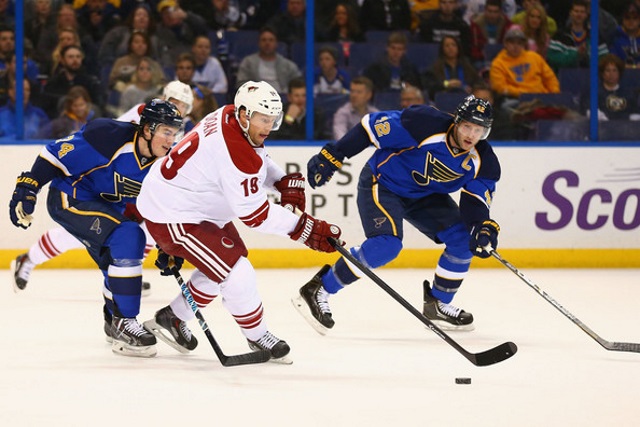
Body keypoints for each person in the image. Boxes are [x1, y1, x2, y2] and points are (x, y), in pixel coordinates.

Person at [136, 81, 342, 361]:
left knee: (222, 264)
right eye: (263, 119)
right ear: (245, 115)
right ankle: (258, 336)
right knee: (236, 270)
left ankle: (171, 318)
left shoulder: (229, 114)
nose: (268, 127)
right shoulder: (234, 149)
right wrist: (306, 229)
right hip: (173, 213)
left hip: (192, 205)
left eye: (273, 120)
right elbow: (255, 215)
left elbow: (258, 157)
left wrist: (281, 181)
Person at [293, 94, 500, 334]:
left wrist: (480, 227)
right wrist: (335, 154)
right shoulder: (424, 124)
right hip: (383, 183)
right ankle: (319, 289)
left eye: (479, 131)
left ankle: (438, 304)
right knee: (386, 245)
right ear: (456, 120)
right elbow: (370, 127)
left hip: (425, 197)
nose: (471, 136)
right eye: (467, 127)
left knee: (463, 241)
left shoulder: (484, 161)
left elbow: (474, 200)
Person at [9, 99, 183, 358]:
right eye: (166, 132)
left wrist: (169, 245)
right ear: (147, 129)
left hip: (109, 209)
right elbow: (53, 154)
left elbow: (164, 206)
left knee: (115, 262)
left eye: (174, 133)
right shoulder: (108, 136)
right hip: (70, 197)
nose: (171, 140)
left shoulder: (166, 163)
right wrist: (29, 186)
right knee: (129, 236)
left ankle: (113, 321)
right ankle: (125, 322)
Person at [11, 80, 194, 295]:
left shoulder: (183, 132)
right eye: (174, 101)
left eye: (183, 105)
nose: (178, 108)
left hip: (132, 194)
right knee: (78, 235)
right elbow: (108, 142)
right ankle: (30, 259)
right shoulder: (141, 116)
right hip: (104, 185)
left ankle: (126, 273)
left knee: (141, 234)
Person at [235, 26, 301, 93]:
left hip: (282, 99)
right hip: (256, 98)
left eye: (271, 40)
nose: (267, 43)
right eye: (264, 40)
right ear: (259, 43)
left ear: (276, 43)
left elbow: (298, 84)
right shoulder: (248, 62)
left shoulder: (288, 65)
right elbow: (241, 84)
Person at [422, 35, 481, 100]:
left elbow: (478, 83)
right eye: (447, 45)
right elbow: (430, 87)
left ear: (458, 48)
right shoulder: (435, 68)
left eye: (453, 45)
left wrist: (472, 89)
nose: (450, 48)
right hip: (444, 100)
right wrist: (446, 84)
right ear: (442, 49)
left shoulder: (468, 67)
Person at [332, 76, 378, 140]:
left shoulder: (375, 114)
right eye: (352, 91)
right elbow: (340, 138)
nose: (354, 95)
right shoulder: (342, 113)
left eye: (359, 92)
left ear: (369, 95)